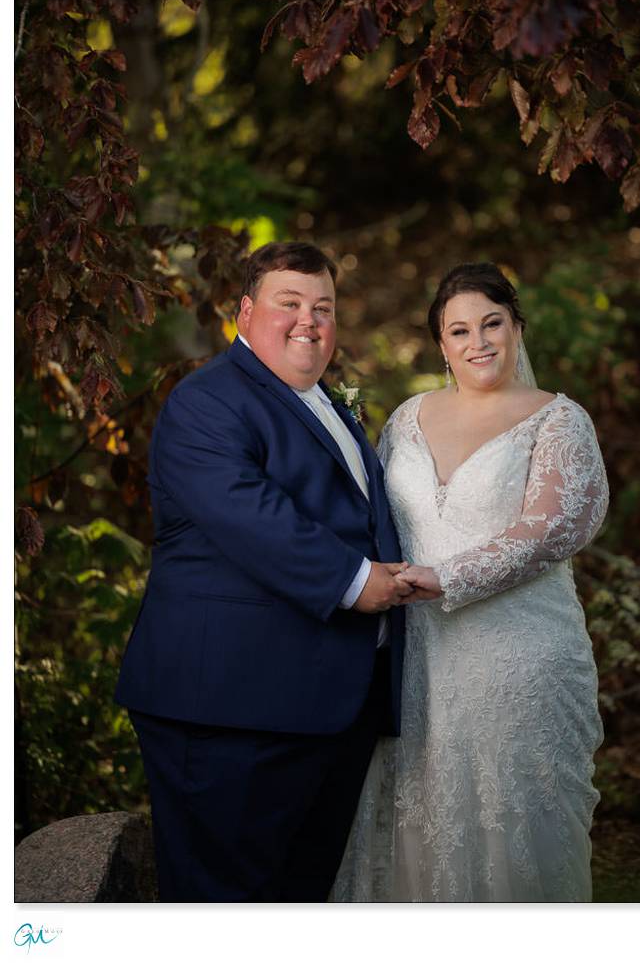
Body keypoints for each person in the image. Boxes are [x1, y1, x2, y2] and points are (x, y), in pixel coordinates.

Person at [115, 241, 435, 902]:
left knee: (295, 902)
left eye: (323, 308)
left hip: (325, 707)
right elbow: (249, 515)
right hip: (229, 707)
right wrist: (359, 581)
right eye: (288, 303)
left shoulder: (330, 406)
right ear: (244, 311)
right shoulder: (207, 401)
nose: (308, 322)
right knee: (222, 905)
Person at [331, 262, 609, 903]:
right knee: (418, 822)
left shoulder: (558, 420)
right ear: (442, 344)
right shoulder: (407, 418)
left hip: (520, 659)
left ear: (517, 328)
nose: (478, 342)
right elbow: (373, 518)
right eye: (460, 331)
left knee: (514, 826)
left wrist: (447, 576)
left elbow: (553, 528)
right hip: (420, 660)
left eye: (492, 323)